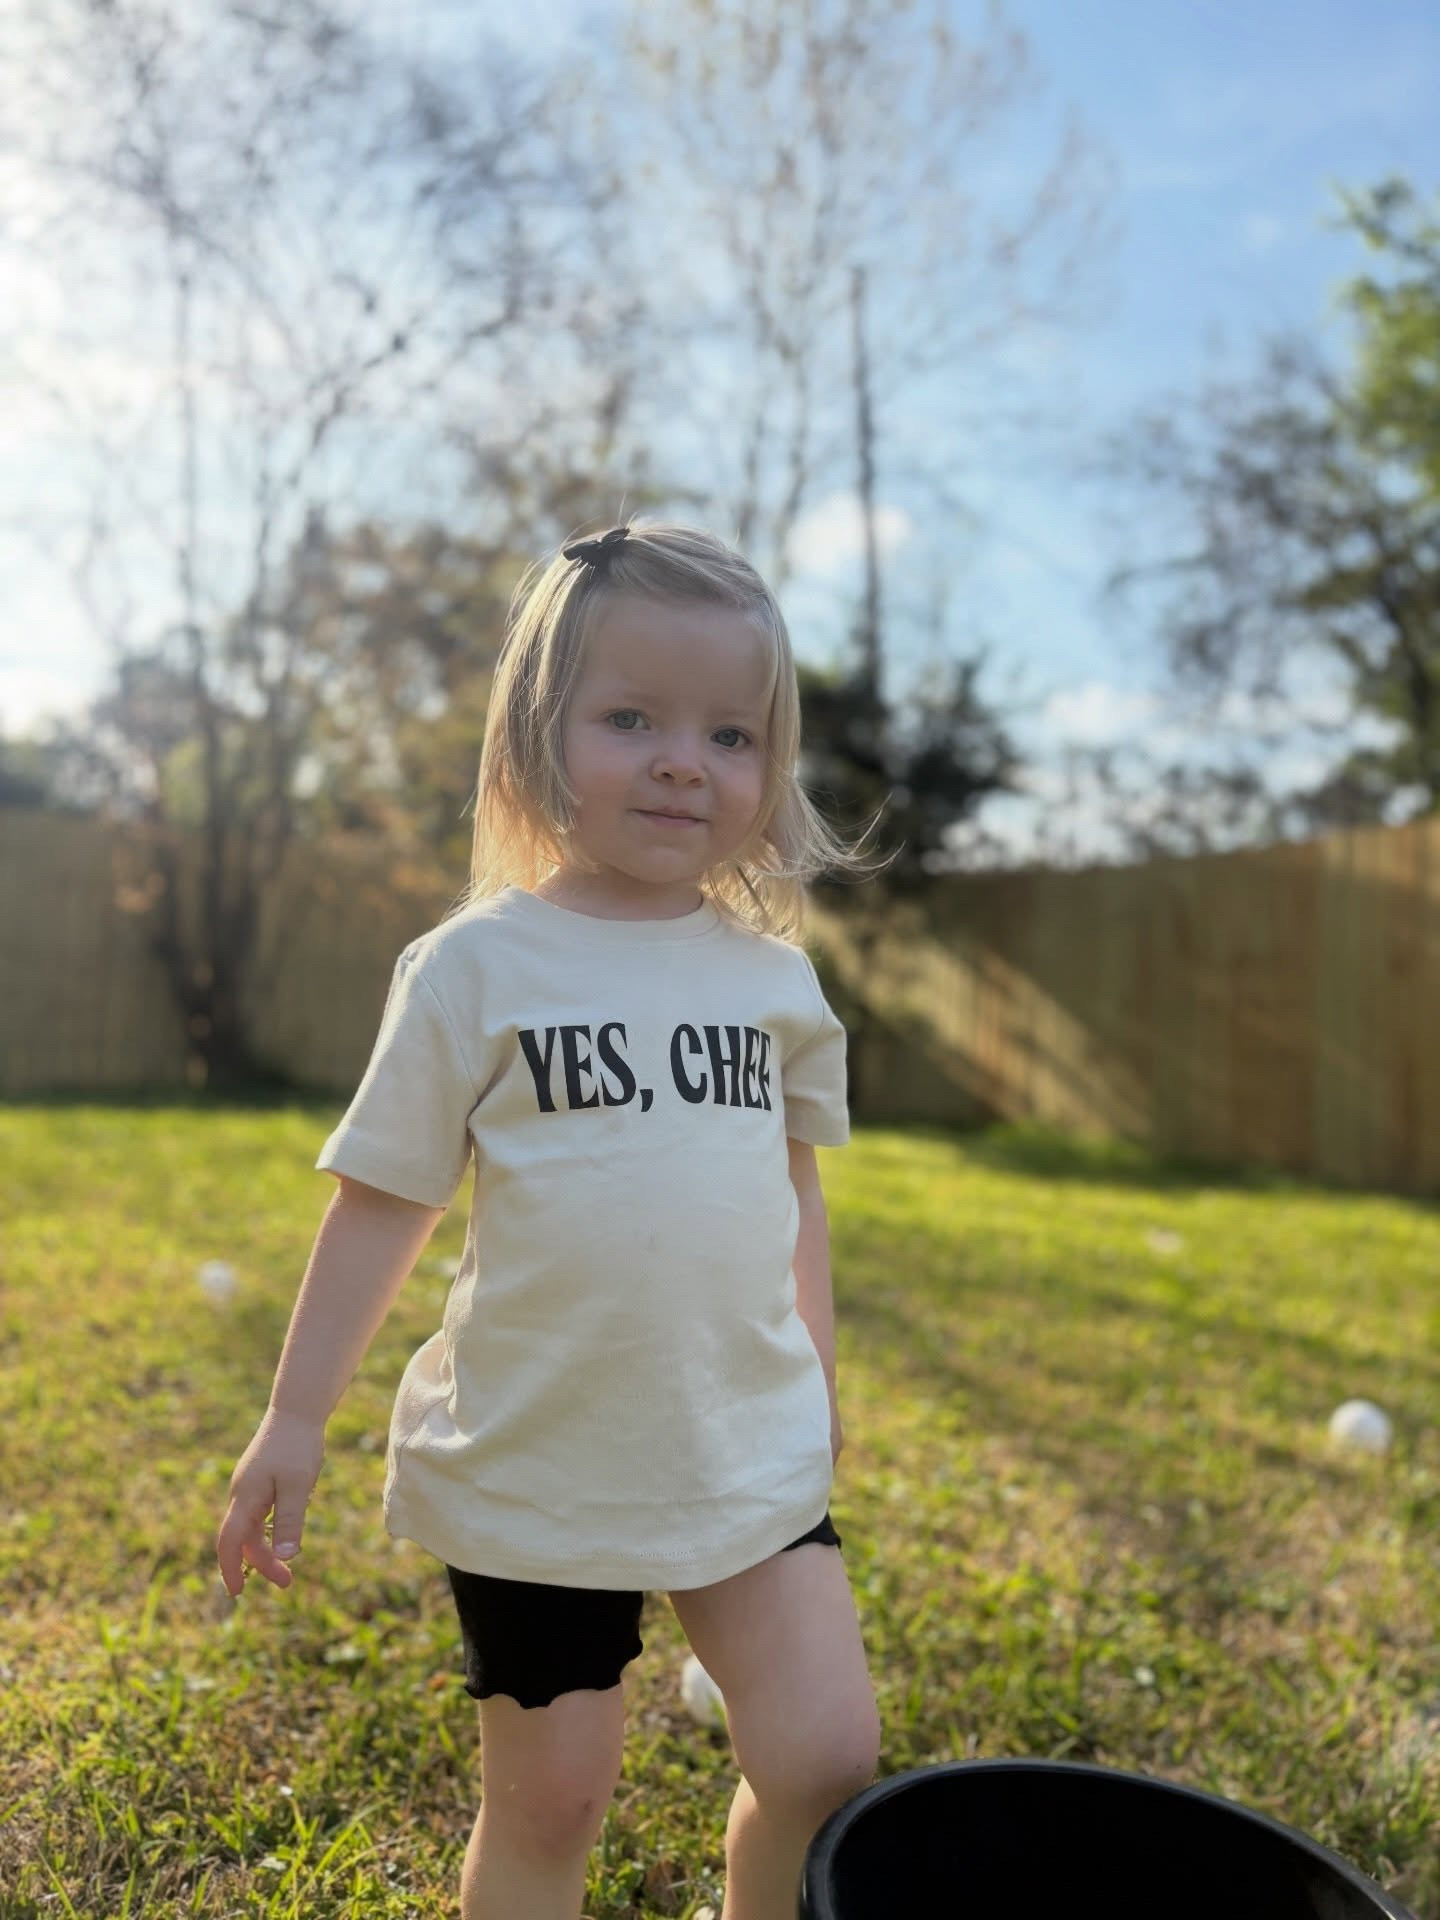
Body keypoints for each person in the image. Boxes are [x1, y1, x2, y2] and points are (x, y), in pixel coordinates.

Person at [215, 520, 891, 1920]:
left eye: (730, 735)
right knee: (551, 1803)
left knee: (826, 1761)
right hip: (538, 1468)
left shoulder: (775, 985)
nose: (683, 762)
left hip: (744, 1446)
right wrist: (293, 1418)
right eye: (631, 718)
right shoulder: (473, 969)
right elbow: (381, 1204)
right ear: (535, 735)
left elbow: (796, 1199)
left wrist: (817, 1374)